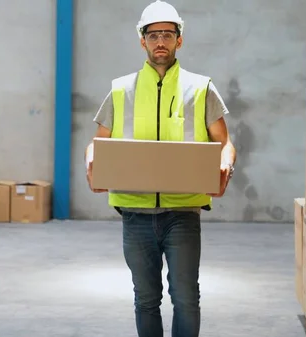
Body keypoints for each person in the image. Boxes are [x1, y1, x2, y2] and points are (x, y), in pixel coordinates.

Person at [84, 1, 236, 336]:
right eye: (153, 35)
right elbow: (98, 141)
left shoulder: (201, 88)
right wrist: (92, 161)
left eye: (168, 34)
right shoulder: (121, 89)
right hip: (135, 212)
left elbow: (225, 142)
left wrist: (225, 164)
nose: (161, 41)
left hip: (182, 211)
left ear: (180, 40)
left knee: (185, 298)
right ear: (143, 41)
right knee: (146, 299)